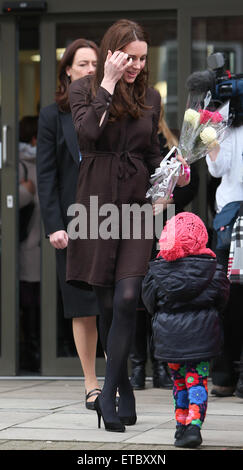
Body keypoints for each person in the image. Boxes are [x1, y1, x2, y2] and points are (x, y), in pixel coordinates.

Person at [66, 19, 189, 432]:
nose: (136, 65)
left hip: (137, 207)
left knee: (127, 296)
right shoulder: (84, 88)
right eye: (129, 57)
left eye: (142, 58)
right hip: (97, 205)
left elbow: (152, 154)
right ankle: (125, 390)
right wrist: (108, 81)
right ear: (113, 53)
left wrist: (173, 173)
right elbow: (87, 133)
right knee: (104, 302)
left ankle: (111, 390)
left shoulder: (151, 96)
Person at [36, 38, 101, 409]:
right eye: (83, 64)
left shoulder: (112, 110)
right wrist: (53, 224)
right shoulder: (51, 116)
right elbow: (46, 175)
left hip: (112, 219)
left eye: (95, 63)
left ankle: (118, 379)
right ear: (68, 71)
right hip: (72, 222)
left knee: (114, 303)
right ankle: (92, 383)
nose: (90, 70)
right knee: (82, 305)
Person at [142, 212, 230, 448]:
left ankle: (180, 425)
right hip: (202, 340)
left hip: (170, 339)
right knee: (196, 380)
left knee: (179, 381)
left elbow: (149, 303)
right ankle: (194, 426)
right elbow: (222, 299)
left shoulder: (156, 271)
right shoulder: (214, 270)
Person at [130, 104, 199, 390]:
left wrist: (170, 200)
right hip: (133, 224)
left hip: (164, 229)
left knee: (161, 298)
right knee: (135, 299)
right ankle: (136, 366)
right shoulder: (131, 141)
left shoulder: (170, 145)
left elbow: (189, 188)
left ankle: (161, 365)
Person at [206, 114, 243, 397]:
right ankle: (225, 372)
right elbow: (218, 168)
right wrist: (210, 135)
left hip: (229, 216)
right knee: (226, 298)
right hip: (230, 219)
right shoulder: (228, 115)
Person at [19, 115, 41, 372]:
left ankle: (34, 349)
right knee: (30, 298)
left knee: (31, 297)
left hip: (32, 241)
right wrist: (25, 190)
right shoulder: (18, 163)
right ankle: (32, 349)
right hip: (31, 241)